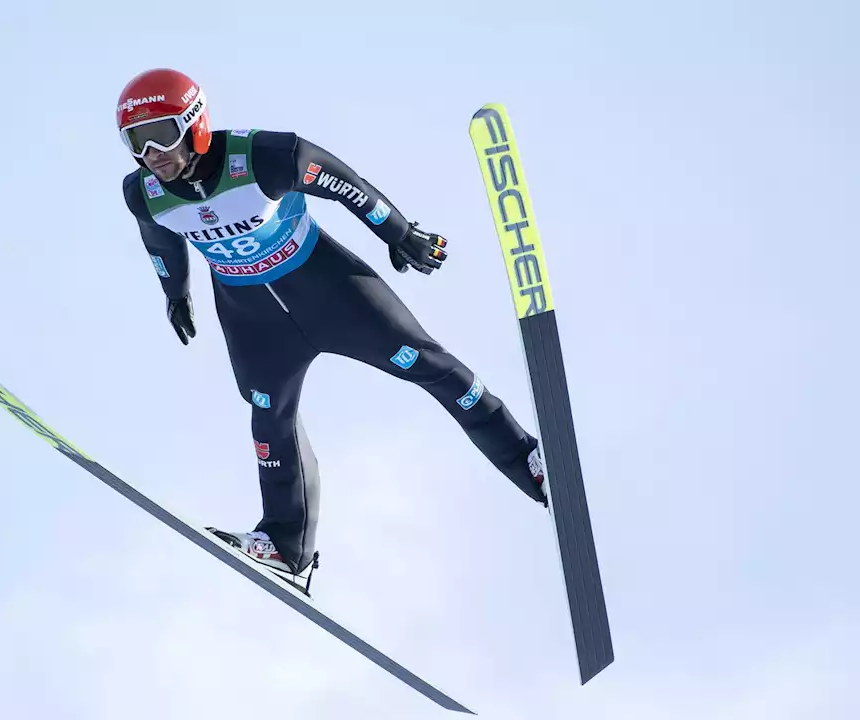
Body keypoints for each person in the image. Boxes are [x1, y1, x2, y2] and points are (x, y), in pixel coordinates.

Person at [117, 68, 547, 595]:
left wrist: (401, 233)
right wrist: (175, 294)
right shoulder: (144, 192)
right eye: (136, 141)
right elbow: (160, 243)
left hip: (329, 291)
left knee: (428, 365)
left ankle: (529, 459)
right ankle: (285, 543)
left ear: (194, 124)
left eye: (161, 133)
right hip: (253, 320)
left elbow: (345, 183)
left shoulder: (264, 156)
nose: (152, 152)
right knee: (268, 420)